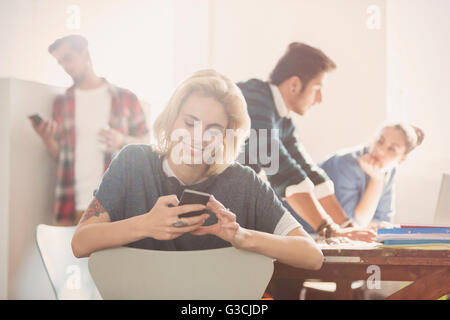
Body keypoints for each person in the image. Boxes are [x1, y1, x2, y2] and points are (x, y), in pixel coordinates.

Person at [71, 69, 324, 271]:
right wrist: (146, 225)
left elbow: (312, 256)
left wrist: (242, 237)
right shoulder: (133, 163)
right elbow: (81, 242)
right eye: (190, 123)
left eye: (213, 129)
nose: (198, 137)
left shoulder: (243, 182)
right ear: (171, 121)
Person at [237, 42, 375, 241]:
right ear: (294, 84)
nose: (320, 98)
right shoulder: (254, 98)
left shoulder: (282, 121)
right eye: (317, 88)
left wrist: (348, 228)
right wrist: (331, 230)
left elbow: (308, 173)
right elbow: (281, 170)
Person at [30, 34, 150, 225]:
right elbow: (60, 157)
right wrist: (47, 139)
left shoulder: (126, 98)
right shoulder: (61, 102)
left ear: (85, 54)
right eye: (60, 62)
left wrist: (122, 141)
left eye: (68, 58)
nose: (65, 67)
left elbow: (147, 144)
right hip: (70, 204)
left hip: (113, 204)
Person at [319, 123, 425, 229]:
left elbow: (383, 220)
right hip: (310, 231)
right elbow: (350, 224)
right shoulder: (346, 163)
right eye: (380, 141)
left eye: (392, 149)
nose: (380, 150)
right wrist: (377, 181)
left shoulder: (388, 169)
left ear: (402, 159)